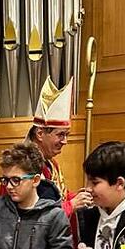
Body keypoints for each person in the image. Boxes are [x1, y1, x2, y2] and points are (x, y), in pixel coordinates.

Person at [25, 76, 87, 220]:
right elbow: (32, 216)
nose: (65, 141)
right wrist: (71, 205)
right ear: (40, 134)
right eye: (60, 135)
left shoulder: (51, 163)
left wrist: (78, 197)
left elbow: (60, 196)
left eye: (67, 135)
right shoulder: (22, 166)